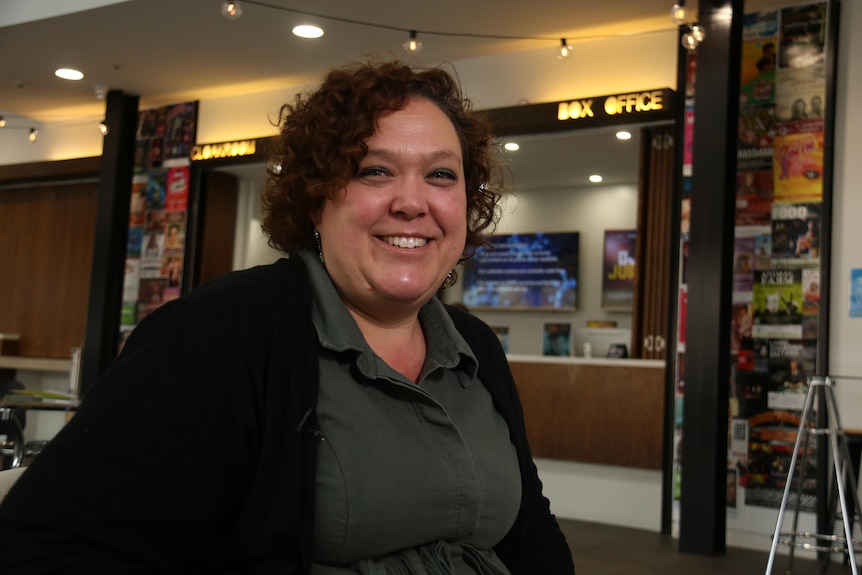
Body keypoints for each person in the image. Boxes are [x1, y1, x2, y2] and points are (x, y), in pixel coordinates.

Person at [0, 61, 575, 574]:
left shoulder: (475, 346)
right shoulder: (217, 334)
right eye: (375, 170)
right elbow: (46, 548)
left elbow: (532, 532)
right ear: (315, 197)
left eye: (441, 175)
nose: (412, 201)